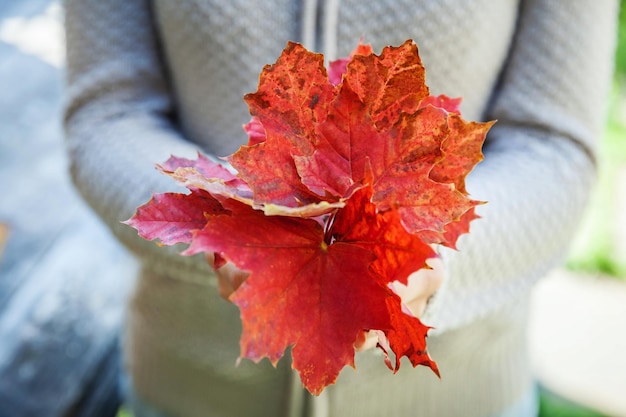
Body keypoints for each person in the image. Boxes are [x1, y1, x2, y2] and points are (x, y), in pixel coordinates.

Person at [63, 1, 618, 416]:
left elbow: (555, 147)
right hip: (190, 389)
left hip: (459, 397)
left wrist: (431, 264)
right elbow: (106, 114)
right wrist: (230, 226)